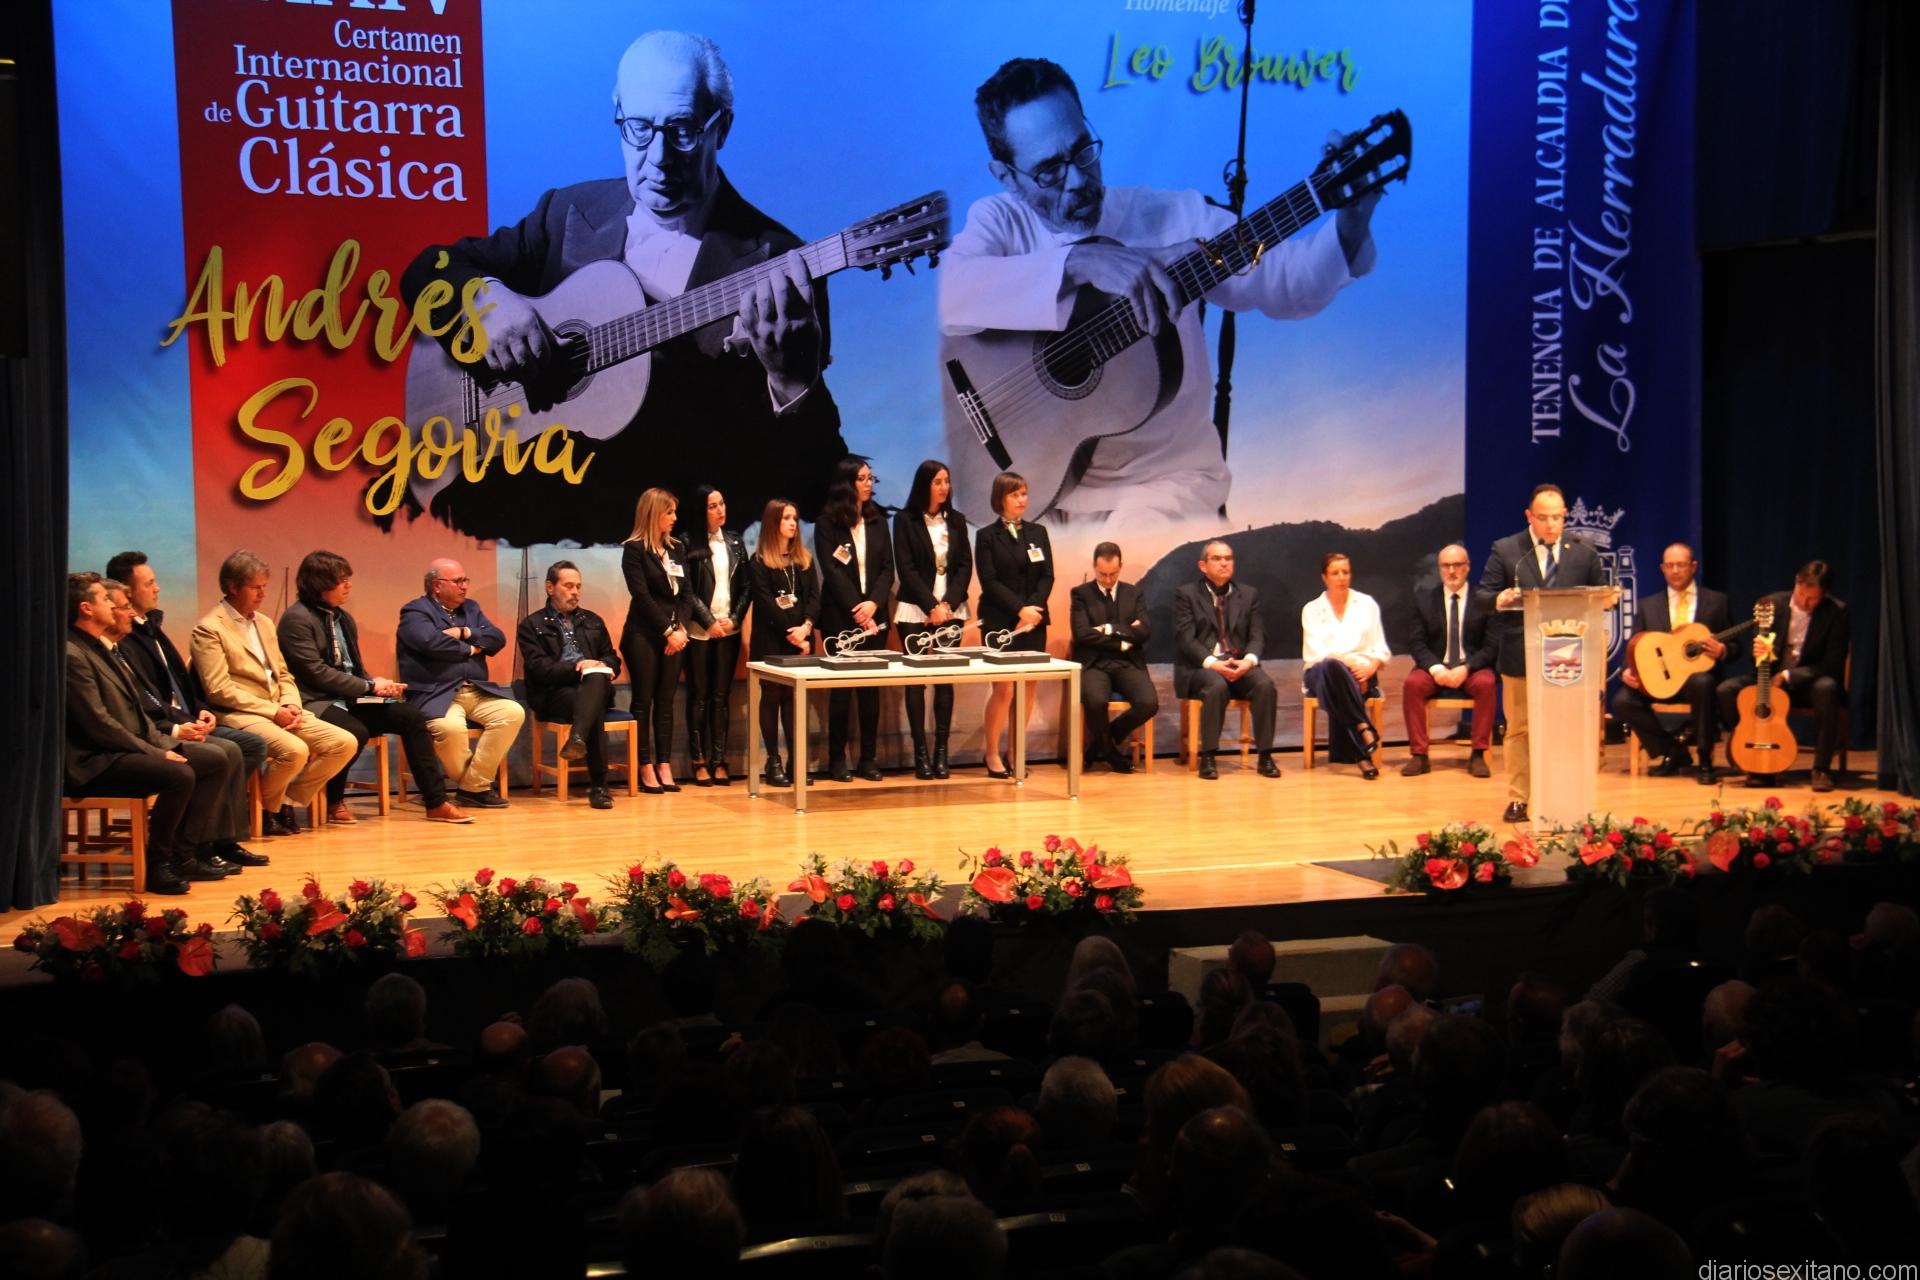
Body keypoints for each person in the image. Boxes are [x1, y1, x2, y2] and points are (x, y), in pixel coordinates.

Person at [397, 30, 846, 546]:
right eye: (638, 128)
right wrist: (483, 300)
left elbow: (812, 480)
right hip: (524, 512)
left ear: (720, 129)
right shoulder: (567, 213)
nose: (658, 157)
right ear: (618, 115)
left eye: (682, 130)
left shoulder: (778, 264)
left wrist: (791, 382)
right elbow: (428, 269)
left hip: (665, 544)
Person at [938, 56, 1377, 528]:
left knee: (1125, 568)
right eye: (1049, 171)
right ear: (1007, 177)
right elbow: (954, 294)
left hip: (1164, 486)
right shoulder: (1000, 221)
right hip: (1042, 483)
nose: (1078, 179)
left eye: (1083, 150)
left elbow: (1291, 281)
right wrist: (1082, 261)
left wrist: (1351, 223)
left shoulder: (1177, 217)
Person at [66, 575, 244, 893]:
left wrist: (165, 742)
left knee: (215, 759)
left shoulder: (104, 647)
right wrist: (158, 753)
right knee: (179, 774)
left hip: (122, 748)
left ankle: (184, 854)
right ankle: (159, 864)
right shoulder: (73, 653)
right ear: (86, 608)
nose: (114, 605)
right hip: (94, 760)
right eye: (105, 599)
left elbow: (138, 714)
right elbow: (99, 724)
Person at [280, 551, 472, 825]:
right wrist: (368, 685)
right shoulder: (296, 619)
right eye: (342, 580)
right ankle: (334, 800)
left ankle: (436, 802)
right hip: (316, 700)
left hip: (350, 697)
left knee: (411, 717)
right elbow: (316, 673)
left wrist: (378, 686)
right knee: (354, 731)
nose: (348, 586)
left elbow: (352, 667)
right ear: (320, 583)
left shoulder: (342, 618)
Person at [103, 555, 267, 867]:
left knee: (247, 746)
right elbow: (147, 700)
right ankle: (196, 845)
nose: (157, 588)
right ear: (127, 592)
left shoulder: (151, 627)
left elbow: (181, 684)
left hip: (183, 719)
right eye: (150, 583)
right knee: (226, 752)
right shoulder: (124, 639)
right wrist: (179, 726)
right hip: (161, 727)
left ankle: (221, 838)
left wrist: (201, 712)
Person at [190, 550, 357, 832]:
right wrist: (272, 710)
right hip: (242, 713)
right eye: (255, 587)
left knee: (344, 743)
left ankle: (285, 802)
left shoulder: (264, 623)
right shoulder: (209, 629)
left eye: (264, 587)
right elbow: (219, 689)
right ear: (233, 587)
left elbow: (283, 674)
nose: (262, 594)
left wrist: (290, 704)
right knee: (294, 750)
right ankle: (264, 811)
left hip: (280, 707)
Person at [1475, 484, 1607, 823]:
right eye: (1543, 518)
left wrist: (1605, 600)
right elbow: (1482, 596)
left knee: (1566, 727)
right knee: (1519, 728)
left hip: (1570, 654)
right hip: (1522, 653)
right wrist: (1501, 598)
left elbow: (1602, 597)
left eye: (1556, 517)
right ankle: (1519, 798)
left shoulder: (1584, 551)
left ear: (1565, 515)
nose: (1550, 525)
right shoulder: (1507, 550)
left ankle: (1567, 796)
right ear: (1529, 516)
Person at [395, 559, 526, 809]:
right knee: (450, 729)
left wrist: (465, 632)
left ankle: (471, 788)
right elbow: (430, 643)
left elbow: (497, 638)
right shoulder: (415, 612)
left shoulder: (471, 609)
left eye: (465, 580)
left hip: (476, 690)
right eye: (458, 581)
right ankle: (476, 788)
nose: (464, 586)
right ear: (437, 585)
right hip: (437, 693)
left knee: (512, 712)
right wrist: (472, 649)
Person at [1715, 559, 1850, 792]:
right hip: (1769, 678)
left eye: (1812, 599)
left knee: (1827, 688)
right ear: (1796, 582)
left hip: (1808, 683)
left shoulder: (1836, 612)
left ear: (1825, 594)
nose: (1805, 602)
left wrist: (1788, 676)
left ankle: (1821, 769)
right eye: (1801, 594)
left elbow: (1832, 664)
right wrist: (1759, 654)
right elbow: (1757, 662)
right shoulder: (1771, 604)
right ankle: (1751, 751)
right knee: (1726, 690)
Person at [1613, 543, 1730, 785]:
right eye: (1670, 565)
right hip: (1659, 679)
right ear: (1662, 569)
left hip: (1694, 681)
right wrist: (1626, 670)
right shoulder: (1647, 605)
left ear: (1693, 566)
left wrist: (1722, 650)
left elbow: (1736, 647)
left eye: (1681, 565)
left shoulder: (1717, 602)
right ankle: (1672, 750)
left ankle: (1705, 759)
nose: (1675, 570)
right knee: (1623, 701)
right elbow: (1635, 644)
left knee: (1703, 682)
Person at [518, 560, 622, 809]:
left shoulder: (593, 620)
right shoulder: (532, 625)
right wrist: (578, 668)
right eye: (568, 586)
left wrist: (599, 665)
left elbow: (612, 658)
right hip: (555, 693)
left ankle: (577, 737)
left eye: (578, 586)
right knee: (592, 705)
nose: (575, 592)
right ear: (550, 587)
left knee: (594, 683)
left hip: (594, 685)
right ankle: (599, 786)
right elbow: (539, 669)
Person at [815, 456, 895, 782]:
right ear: (847, 483)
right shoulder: (827, 524)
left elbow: (887, 568)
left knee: (869, 691)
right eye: (862, 478)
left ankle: (868, 758)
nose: (868, 484)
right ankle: (837, 759)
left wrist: (873, 603)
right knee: (841, 691)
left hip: (874, 617)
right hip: (841, 617)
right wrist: (857, 608)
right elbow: (832, 571)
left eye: (870, 478)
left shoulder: (878, 522)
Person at [1173, 540, 1280, 780]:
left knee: (1265, 685)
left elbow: (1257, 635)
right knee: (1216, 686)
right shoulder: (1187, 595)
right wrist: (1213, 663)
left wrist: (1248, 661)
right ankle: (1208, 756)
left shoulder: (1248, 594)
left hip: (1238, 663)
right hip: (1201, 667)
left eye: (1228, 558)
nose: (1224, 563)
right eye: (1217, 558)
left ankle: (1265, 756)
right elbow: (1186, 639)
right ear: (1203, 565)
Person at [893, 459, 972, 779]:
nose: (944, 487)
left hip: (951, 609)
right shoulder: (905, 520)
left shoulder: (957, 520)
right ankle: (920, 753)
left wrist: (948, 603)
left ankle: (941, 751)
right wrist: (930, 606)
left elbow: (964, 565)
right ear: (924, 485)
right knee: (915, 680)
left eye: (947, 481)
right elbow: (906, 568)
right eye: (938, 482)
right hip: (916, 608)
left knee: (944, 679)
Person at [973, 470, 1053, 778]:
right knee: (1004, 688)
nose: (1022, 499)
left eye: (1024, 493)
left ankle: (1016, 752)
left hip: (1034, 620)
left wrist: (1032, 609)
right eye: (1015, 494)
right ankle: (992, 753)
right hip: (1000, 621)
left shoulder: (1038, 532)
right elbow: (990, 581)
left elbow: (1047, 575)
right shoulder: (986, 536)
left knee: (1028, 686)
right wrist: (1019, 609)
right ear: (1000, 498)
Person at [620, 488, 695, 794]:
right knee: (644, 700)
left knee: (666, 701)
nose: (675, 518)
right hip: (644, 634)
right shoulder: (634, 549)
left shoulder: (677, 549)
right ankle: (644, 765)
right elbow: (641, 596)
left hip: (676, 635)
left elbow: (687, 594)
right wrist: (668, 631)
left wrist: (682, 630)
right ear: (653, 514)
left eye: (675, 512)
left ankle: (664, 763)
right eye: (669, 512)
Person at [1401, 544, 1497, 778]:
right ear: (1439, 568)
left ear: (1468, 567)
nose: (1452, 571)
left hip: (1471, 667)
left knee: (1486, 684)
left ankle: (1478, 754)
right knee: (1412, 684)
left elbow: (1492, 645)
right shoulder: (1424, 599)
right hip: (1436, 667)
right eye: (1446, 566)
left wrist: (1467, 668)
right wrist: (1435, 668)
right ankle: (1419, 755)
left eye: (1457, 565)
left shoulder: (1484, 600)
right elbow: (1416, 642)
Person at [747, 497, 819, 787]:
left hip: (801, 638)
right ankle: (773, 761)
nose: (792, 524)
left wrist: (806, 628)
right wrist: (794, 634)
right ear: (773, 522)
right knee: (772, 696)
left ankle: (795, 762)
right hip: (771, 639)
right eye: (786, 518)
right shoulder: (759, 561)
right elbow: (766, 604)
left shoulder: (804, 560)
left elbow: (814, 599)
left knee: (793, 699)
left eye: (795, 518)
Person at [1069, 541, 1158, 773]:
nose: (1108, 580)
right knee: (1095, 701)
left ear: (1121, 566)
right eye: (1102, 574)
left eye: (1113, 574)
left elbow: (1144, 631)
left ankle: (1100, 744)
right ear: (1094, 566)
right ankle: (1109, 753)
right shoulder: (1081, 594)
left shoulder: (1134, 593)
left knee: (1149, 703)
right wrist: (1122, 640)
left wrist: (1108, 628)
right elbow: (1082, 634)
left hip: (1128, 662)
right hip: (1094, 663)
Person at [1300, 552, 1390, 779]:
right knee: (1332, 667)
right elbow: (1316, 653)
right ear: (1324, 577)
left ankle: (1360, 749)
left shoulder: (1366, 604)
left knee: (1340, 679)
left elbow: (1380, 648)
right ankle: (1362, 729)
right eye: (1335, 573)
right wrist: (1347, 662)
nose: (1341, 577)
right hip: (1319, 673)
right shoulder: (1312, 609)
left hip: (1361, 672)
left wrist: (1371, 667)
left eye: (1345, 572)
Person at [682, 484, 749, 786]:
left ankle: (720, 759)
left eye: (722, 503)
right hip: (699, 631)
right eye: (713, 506)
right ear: (701, 511)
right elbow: (686, 590)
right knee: (699, 696)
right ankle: (698, 760)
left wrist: (734, 619)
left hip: (728, 630)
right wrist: (708, 621)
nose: (720, 510)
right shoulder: (686, 543)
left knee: (721, 697)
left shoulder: (734, 542)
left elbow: (746, 587)